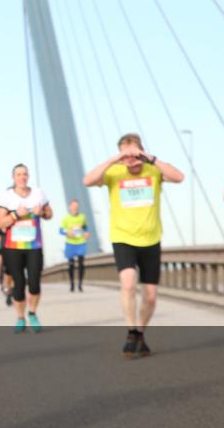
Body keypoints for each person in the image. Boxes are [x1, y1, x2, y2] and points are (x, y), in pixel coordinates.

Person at [83, 133, 184, 358]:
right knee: (128, 284)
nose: (131, 160)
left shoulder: (154, 170)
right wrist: (113, 160)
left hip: (151, 239)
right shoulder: (114, 173)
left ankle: (140, 333)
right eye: (126, 155)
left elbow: (179, 177)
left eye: (134, 154)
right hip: (123, 238)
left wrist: (150, 158)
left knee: (150, 296)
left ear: (142, 151)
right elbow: (87, 180)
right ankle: (131, 331)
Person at [0, 165, 52, 332]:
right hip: (13, 247)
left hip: (34, 246)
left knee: (34, 283)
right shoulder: (7, 197)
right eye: (19, 174)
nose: (22, 177)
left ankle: (32, 313)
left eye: (25, 174)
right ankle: (20, 317)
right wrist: (15, 215)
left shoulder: (38, 193)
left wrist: (41, 212)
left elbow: (50, 214)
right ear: (13, 177)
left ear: (28, 176)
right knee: (18, 284)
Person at [60, 199, 90, 292]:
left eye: (76, 206)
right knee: (71, 265)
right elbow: (61, 230)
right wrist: (67, 233)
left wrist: (86, 232)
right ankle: (72, 283)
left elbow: (85, 227)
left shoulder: (82, 217)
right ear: (70, 207)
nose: (75, 208)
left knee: (81, 263)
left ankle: (80, 284)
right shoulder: (66, 218)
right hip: (70, 243)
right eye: (73, 206)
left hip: (81, 242)